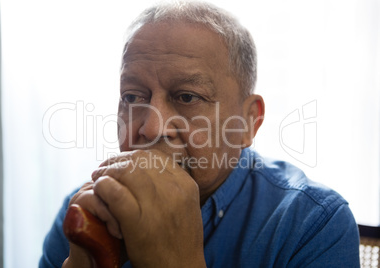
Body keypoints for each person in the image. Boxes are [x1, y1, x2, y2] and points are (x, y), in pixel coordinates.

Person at [39, 1, 360, 267]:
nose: (150, 128)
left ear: (249, 121)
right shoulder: (82, 211)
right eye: (133, 97)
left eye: (187, 97)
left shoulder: (313, 224)